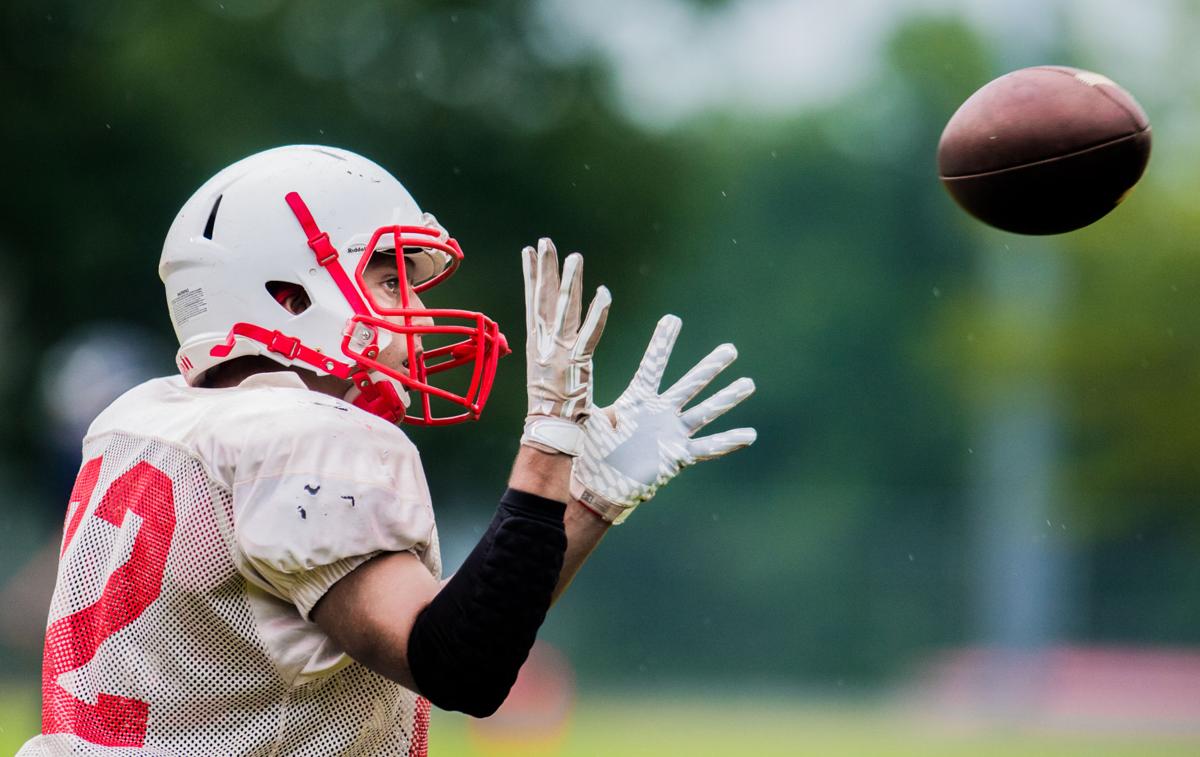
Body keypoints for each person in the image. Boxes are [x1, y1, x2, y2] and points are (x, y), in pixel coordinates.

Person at [18, 145, 756, 756]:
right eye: (388, 273)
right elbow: (460, 661)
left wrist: (582, 503)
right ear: (288, 293)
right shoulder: (304, 439)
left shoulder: (139, 418)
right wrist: (548, 446)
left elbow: (458, 622)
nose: (421, 309)